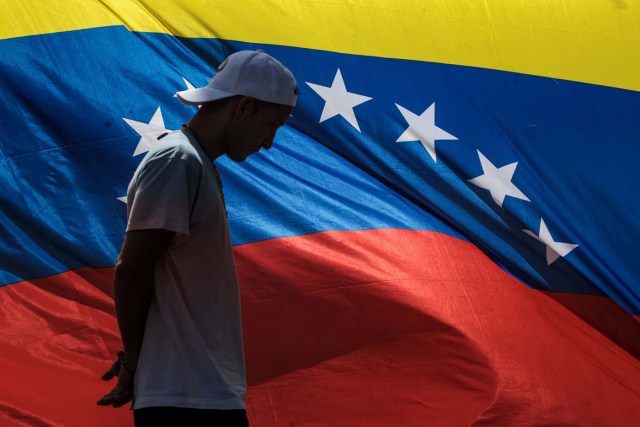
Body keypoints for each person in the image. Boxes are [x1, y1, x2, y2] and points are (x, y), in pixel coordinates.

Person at [97, 50, 298, 426]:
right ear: (242, 107)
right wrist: (138, 364)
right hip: (184, 400)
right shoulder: (178, 160)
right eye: (272, 125)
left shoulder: (194, 162)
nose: (269, 142)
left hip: (201, 395)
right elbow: (132, 269)